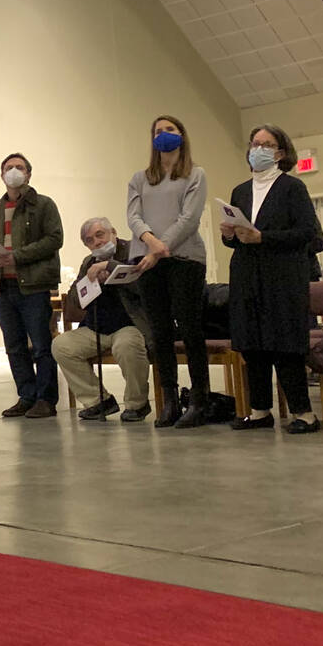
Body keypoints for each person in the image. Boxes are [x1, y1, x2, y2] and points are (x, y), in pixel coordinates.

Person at [221, 125, 320, 433]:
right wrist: (229, 235)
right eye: (254, 143)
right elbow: (239, 238)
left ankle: (304, 414)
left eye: (266, 144)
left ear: (279, 153)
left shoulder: (292, 188)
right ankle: (260, 410)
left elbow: (307, 233)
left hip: (283, 276)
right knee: (253, 345)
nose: (258, 148)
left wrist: (263, 237)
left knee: (284, 345)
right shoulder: (240, 190)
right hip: (247, 275)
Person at [128, 115, 209, 429]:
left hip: (185, 258)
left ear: (181, 135)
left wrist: (162, 247)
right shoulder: (139, 178)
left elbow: (190, 218)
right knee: (160, 332)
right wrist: (150, 242)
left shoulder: (194, 174)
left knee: (190, 329)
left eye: (170, 130)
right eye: (158, 131)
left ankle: (199, 399)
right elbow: (133, 216)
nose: (163, 135)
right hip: (148, 260)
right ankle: (170, 400)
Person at [0, 153, 64, 418]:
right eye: (9, 167)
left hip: (34, 285)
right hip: (5, 286)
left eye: (20, 167)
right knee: (14, 346)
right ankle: (26, 395)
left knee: (40, 345)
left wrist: (17, 256)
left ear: (28, 174)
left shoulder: (44, 205)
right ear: (2, 174)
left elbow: (54, 239)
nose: (14, 171)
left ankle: (46, 399)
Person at [52, 217, 152, 423]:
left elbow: (144, 285)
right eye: (89, 240)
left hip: (129, 325)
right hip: (96, 327)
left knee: (127, 346)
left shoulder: (134, 250)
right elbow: (74, 301)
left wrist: (112, 269)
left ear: (113, 232)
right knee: (61, 345)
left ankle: (137, 403)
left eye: (100, 235)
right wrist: (89, 282)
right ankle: (98, 401)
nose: (96, 242)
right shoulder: (88, 263)